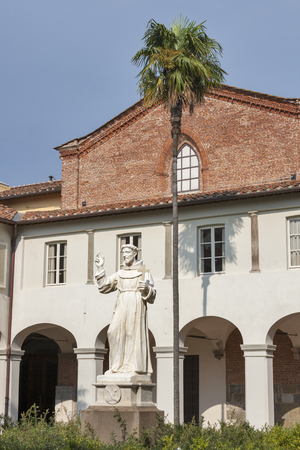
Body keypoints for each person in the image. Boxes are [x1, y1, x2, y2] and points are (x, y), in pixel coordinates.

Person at [95, 244, 156, 375]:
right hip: (122, 303)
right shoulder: (120, 273)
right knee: (113, 332)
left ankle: (131, 367)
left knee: (131, 334)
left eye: (127, 252)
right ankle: (116, 367)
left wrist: (146, 289)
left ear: (134, 254)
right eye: (123, 253)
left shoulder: (144, 270)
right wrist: (100, 267)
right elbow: (104, 286)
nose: (125, 255)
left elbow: (153, 293)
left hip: (136, 303)